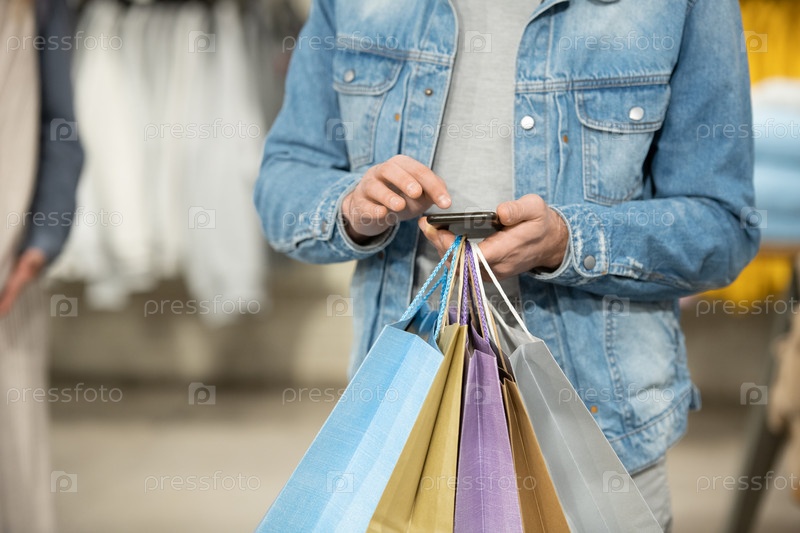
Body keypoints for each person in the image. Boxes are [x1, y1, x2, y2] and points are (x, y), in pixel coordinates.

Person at [254, 0, 759, 529]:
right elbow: (285, 180)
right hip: (397, 432)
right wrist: (352, 208)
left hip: (598, 450)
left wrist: (567, 241)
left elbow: (724, 226)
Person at [0, 0, 83, 530]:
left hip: (9, 272)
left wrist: (42, 240)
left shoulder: (32, 8)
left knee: (15, 471)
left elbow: (59, 126)